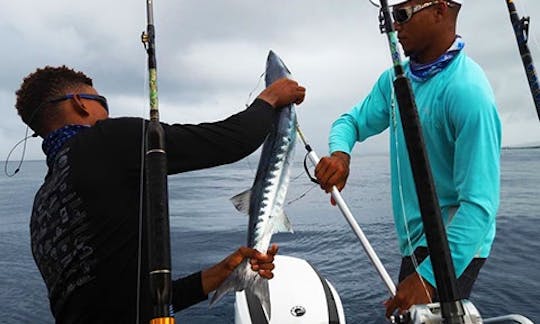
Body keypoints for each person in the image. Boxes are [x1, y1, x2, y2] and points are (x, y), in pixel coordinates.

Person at [15, 65, 305, 323]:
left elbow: (131, 303)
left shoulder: (42, 207)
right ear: (80, 104)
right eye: (101, 101)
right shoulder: (105, 140)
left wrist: (222, 272)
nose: (107, 112)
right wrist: (269, 100)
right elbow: (229, 142)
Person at [314, 0, 501, 317]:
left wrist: (428, 279)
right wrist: (341, 154)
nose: (395, 25)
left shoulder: (468, 93)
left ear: (440, 11)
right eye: (391, 16)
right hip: (415, 240)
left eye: (402, 14)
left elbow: (480, 207)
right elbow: (351, 122)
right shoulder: (394, 81)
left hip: (456, 243)